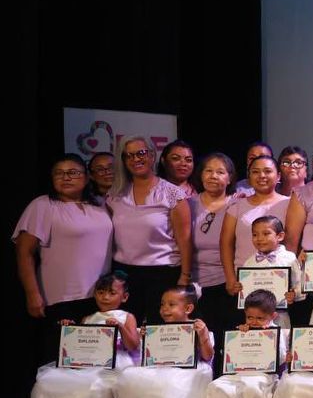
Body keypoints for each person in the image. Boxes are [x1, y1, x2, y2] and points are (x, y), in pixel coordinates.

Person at [15, 271, 138, 398]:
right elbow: (79, 348)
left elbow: (133, 345)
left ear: (124, 296)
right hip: (88, 364)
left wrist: (119, 327)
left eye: (112, 293)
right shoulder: (88, 319)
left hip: (116, 361)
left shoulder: (126, 316)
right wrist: (70, 330)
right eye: (100, 292)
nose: (105, 297)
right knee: (48, 382)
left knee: (93, 385)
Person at [14, 154, 114, 363]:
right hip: (61, 299)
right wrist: (32, 294)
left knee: (94, 361)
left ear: (87, 178)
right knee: (61, 362)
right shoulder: (43, 205)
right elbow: (24, 253)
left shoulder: (99, 204)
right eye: (59, 173)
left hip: (99, 298)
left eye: (73, 173)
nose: (65, 178)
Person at [112, 285, 217, 398]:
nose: (164, 309)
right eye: (162, 305)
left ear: (188, 308)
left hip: (189, 368)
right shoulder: (158, 330)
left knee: (170, 383)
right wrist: (146, 339)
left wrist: (203, 336)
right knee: (131, 377)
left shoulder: (197, 327)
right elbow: (149, 355)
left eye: (171, 305)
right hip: (162, 366)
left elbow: (207, 356)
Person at [107, 136, 193, 325]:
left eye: (141, 153)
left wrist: (185, 277)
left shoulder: (172, 194)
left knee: (158, 332)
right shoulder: (115, 195)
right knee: (127, 331)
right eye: (129, 155)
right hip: (124, 274)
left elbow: (185, 240)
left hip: (163, 273)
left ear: (152, 156)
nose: (136, 159)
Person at [221, 154, 290, 322]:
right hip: (244, 285)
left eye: (267, 171)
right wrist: (230, 278)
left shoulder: (290, 204)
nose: (262, 176)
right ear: (249, 176)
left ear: (278, 176)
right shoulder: (237, 206)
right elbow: (225, 243)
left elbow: (293, 241)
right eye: (256, 172)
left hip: (279, 285)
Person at [189, 152, 237, 368]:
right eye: (208, 171)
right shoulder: (188, 204)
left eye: (220, 172)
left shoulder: (237, 204)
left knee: (225, 342)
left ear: (229, 178)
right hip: (194, 284)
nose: (213, 176)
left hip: (226, 283)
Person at [238, 215, 301, 330]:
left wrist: (294, 294)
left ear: (280, 236)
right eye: (255, 235)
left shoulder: (289, 258)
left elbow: (300, 284)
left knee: (281, 344)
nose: (260, 238)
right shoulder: (249, 262)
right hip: (255, 320)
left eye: (266, 234)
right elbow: (245, 292)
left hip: (280, 315)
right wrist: (240, 289)